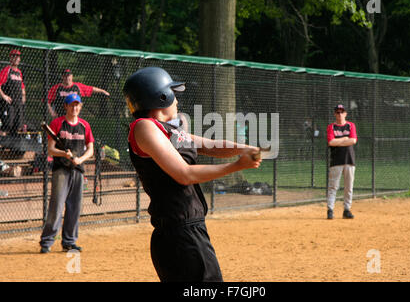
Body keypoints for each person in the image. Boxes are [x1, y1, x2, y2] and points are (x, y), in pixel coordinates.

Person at [124, 67, 261, 282]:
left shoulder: (167, 130)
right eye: (173, 94)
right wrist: (236, 166)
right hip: (179, 233)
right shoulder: (145, 127)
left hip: (186, 230)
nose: (177, 100)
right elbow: (184, 174)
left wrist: (244, 148)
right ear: (161, 97)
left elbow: (210, 145)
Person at [39, 94, 94, 254]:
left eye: (77, 105)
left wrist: (80, 159)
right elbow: (51, 149)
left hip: (78, 170)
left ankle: (69, 242)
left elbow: (90, 149)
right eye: (71, 105)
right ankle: (47, 241)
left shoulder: (84, 125)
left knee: (74, 207)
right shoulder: (57, 123)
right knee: (56, 206)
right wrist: (65, 154)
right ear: (66, 106)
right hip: (61, 170)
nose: (74, 108)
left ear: (80, 107)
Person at [326, 104, 358, 220]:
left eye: (342, 112)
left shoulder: (350, 125)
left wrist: (338, 141)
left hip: (349, 160)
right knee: (333, 187)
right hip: (336, 161)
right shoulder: (331, 127)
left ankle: (347, 209)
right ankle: (330, 210)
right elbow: (331, 142)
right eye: (337, 112)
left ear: (345, 113)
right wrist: (345, 139)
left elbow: (353, 140)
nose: (340, 114)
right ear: (335, 114)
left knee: (348, 187)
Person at [0, 49, 26, 136]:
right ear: (10, 58)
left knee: (16, 126)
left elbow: (22, 86)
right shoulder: (7, 70)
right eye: (14, 56)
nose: (16, 58)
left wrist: (23, 96)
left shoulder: (19, 72)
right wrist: (4, 96)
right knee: (7, 125)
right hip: (9, 103)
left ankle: (11, 147)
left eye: (18, 56)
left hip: (18, 103)